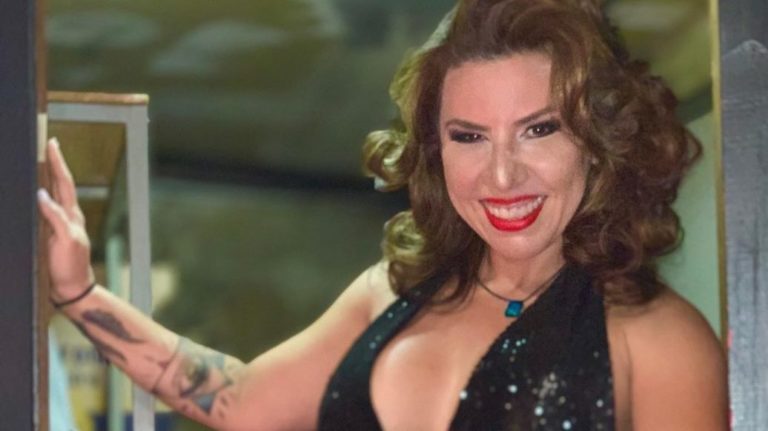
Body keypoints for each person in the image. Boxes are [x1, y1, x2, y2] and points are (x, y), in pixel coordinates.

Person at [38, 0, 728, 429]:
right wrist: (79, 291)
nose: (501, 174)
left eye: (539, 130)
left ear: (600, 141)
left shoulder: (659, 341)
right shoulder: (391, 293)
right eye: (469, 136)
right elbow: (240, 401)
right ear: (435, 151)